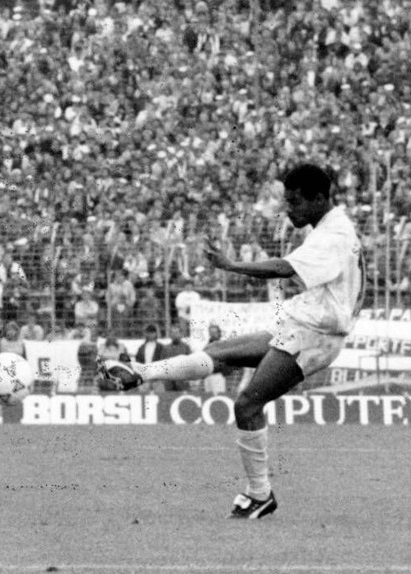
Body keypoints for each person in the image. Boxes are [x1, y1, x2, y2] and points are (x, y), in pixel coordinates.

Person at [98, 163, 362, 519]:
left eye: (295, 201)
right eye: (286, 200)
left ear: (318, 198)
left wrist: (230, 265)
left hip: (317, 336)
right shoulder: (329, 227)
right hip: (305, 324)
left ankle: (260, 494)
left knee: (247, 403)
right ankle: (138, 372)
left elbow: (284, 268)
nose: (288, 209)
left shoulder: (334, 236)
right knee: (218, 353)